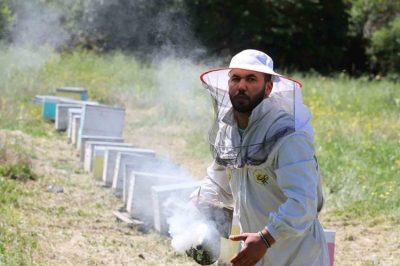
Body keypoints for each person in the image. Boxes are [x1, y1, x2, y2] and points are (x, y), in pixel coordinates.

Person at [192, 49, 330, 266]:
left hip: (294, 253)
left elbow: (304, 202)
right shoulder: (228, 131)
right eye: (235, 78)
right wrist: (202, 203)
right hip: (252, 249)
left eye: (251, 79)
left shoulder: (288, 136)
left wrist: (267, 237)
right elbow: (217, 178)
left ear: (268, 87)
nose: (241, 85)